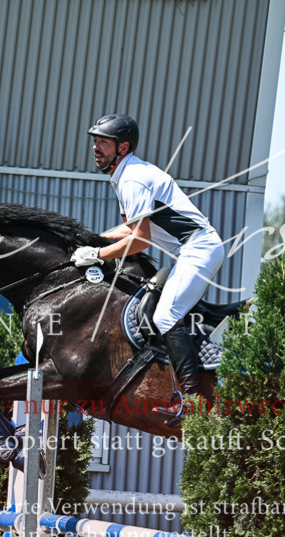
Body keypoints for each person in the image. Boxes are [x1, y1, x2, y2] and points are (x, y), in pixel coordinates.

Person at [71, 114, 225, 420]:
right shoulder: (127, 174)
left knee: (165, 315)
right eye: (95, 141)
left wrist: (99, 254)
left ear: (123, 147)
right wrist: (92, 241)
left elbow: (140, 240)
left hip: (199, 249)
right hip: (192, 251)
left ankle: (191, 400)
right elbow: (132, 229)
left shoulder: (132, 179)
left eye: (103, 142)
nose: (95, 147)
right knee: (166, 312)